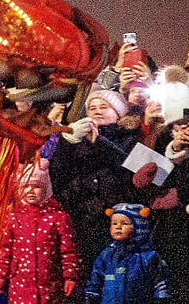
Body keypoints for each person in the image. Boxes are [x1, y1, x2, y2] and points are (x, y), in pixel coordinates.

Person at [50, 88, 141, 265]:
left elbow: (130, 172)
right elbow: (57, 175)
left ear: (119, 114)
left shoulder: (131, 139)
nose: (97, 111)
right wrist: (67, 142)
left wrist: (100, 143)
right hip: (80, 222)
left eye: (104, 107)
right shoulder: (76, 139)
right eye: (92, 108)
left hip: (115, 223)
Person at [0, 162, 79, 304]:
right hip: (21, 284)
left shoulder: (58, 217)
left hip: (50, 284)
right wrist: (1, 275)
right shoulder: (13, 217)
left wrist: (70, 276)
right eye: (26, 187)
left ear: (46, 189)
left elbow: (68, 250)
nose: (31, 191)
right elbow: (5, 250)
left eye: (37, 187)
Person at [85, 203, 169, 304]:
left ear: (138, 228)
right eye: (114, 223)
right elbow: (96, 279)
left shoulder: (148, 257)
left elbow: (161, 281)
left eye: (125, 223)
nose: (118, 227)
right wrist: (90, 297)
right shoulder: (107, 255)